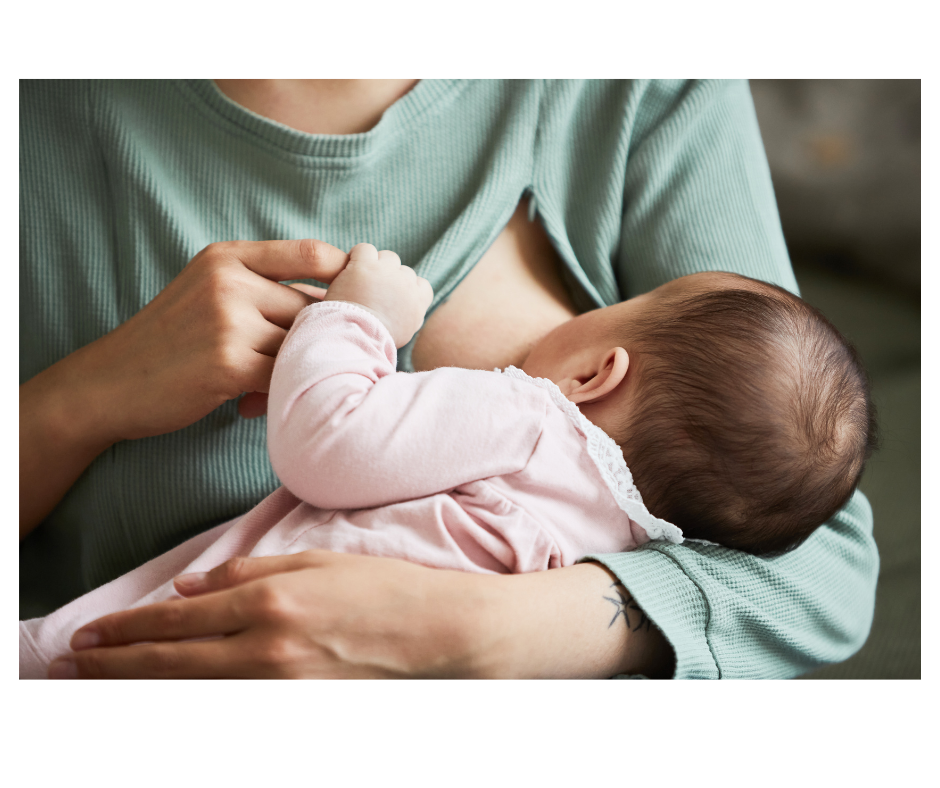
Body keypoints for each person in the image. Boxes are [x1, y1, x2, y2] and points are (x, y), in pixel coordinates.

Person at [19, 78, 879, 680]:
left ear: (596, 370)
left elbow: (819, 568)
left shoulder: (639, 94)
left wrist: (481, 635)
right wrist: (81, 400)